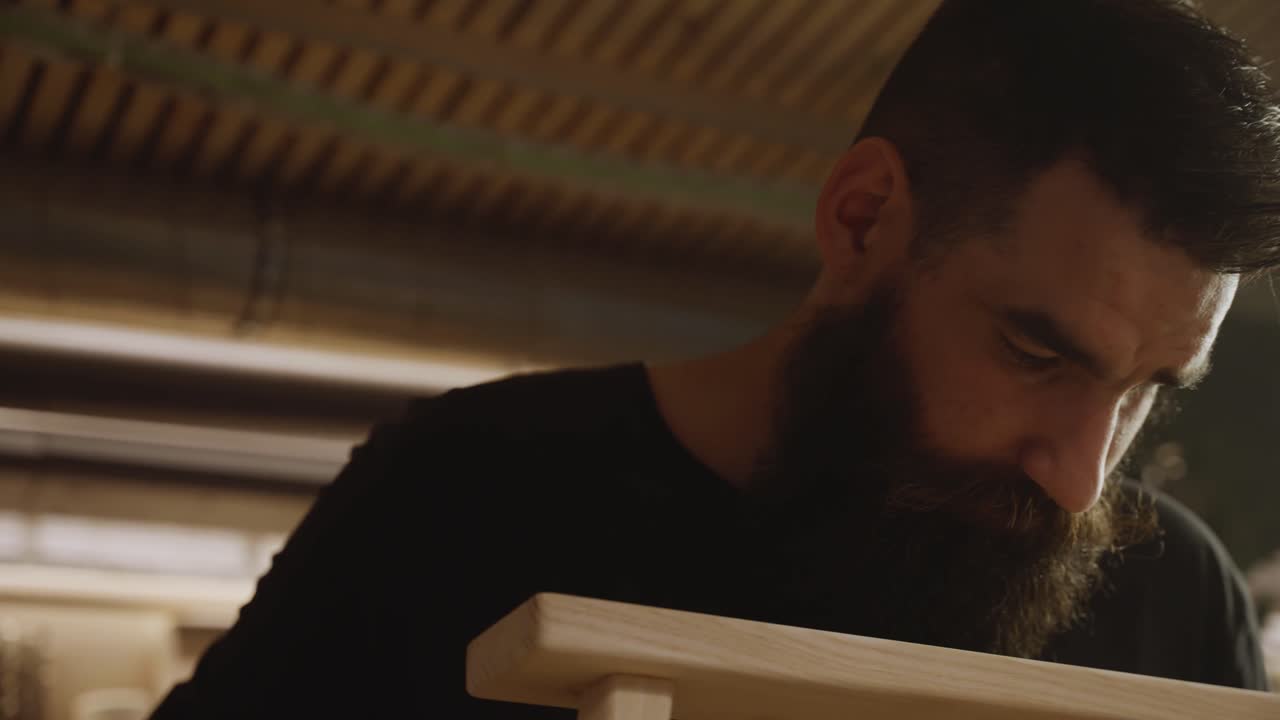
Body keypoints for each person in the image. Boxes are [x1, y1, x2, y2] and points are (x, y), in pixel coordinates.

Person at [152, 1, 1280, 717]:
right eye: (1033, 350)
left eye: (1142, 395)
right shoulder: (459, 495)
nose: (1079, 478)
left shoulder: (1171, 604)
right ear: (859, 221)